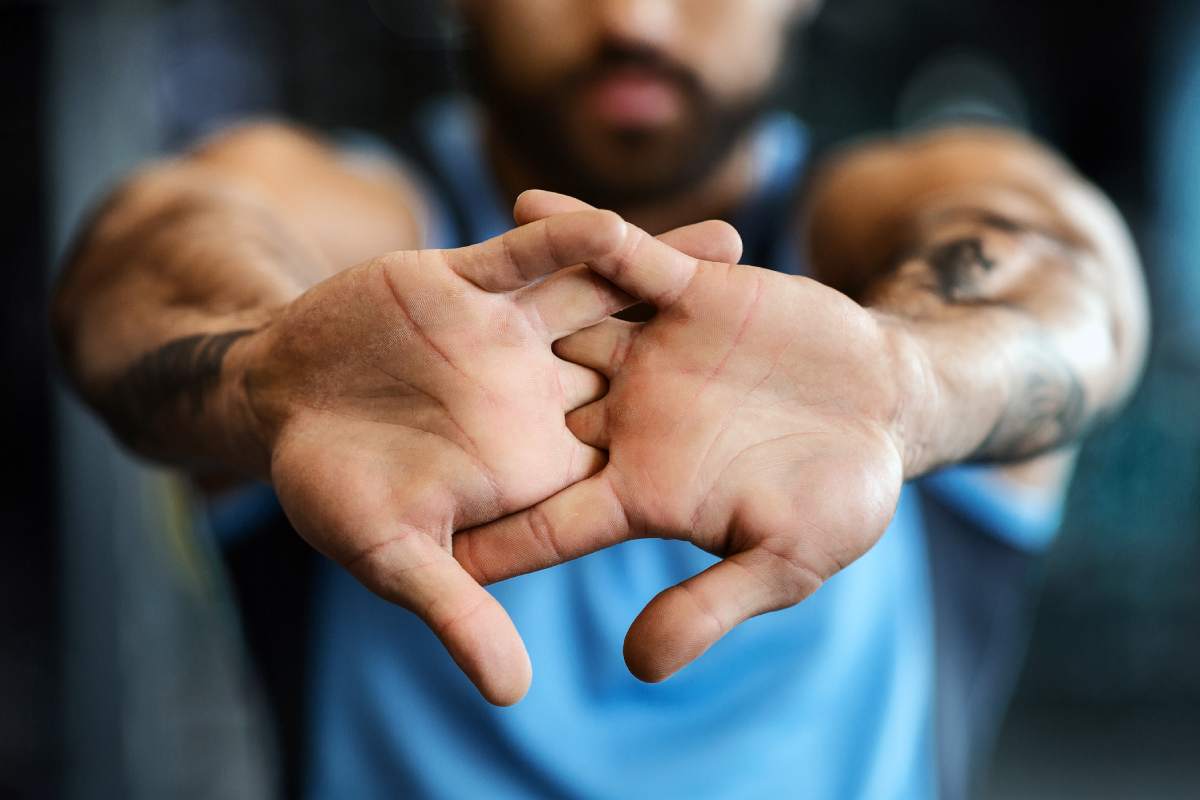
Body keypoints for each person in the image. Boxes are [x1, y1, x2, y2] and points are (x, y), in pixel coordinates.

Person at [51, 1, 1147, 797]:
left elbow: (1070, 277)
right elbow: (137, 265)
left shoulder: (887, 238)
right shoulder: (352, 267)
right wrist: (264, 372)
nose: (636, 19)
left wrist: (916, 386)